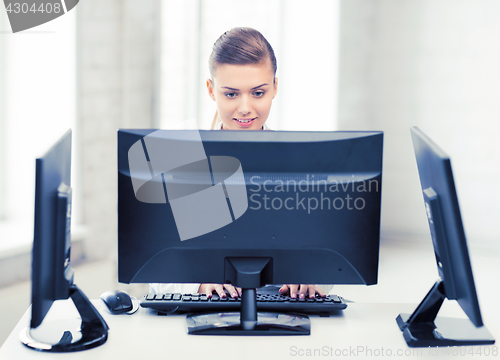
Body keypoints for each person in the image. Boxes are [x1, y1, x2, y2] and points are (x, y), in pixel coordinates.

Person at [151, 27, 332, 300]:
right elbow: (155, 274)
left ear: (275, 88)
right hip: (210, 308)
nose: (245, 108)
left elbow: (332, 257)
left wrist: (310, 275)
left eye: (258, 93)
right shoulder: (183, 160)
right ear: (212, 91)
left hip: (284, 308)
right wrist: (198, 285)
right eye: (231, 94)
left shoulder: (301, 162)